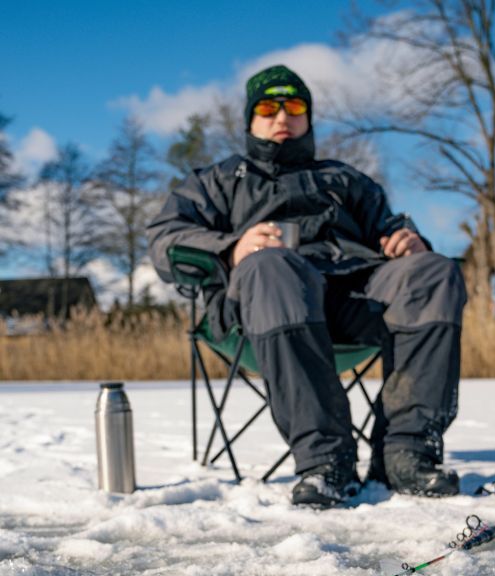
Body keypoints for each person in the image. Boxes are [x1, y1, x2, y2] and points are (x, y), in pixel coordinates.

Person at [148, 65, 467, 508]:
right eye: (268, 107)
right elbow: (164, 239)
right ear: (249, 120)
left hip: (352, 299)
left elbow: (390, 228)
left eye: (295, 106)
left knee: (434, 271)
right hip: (258, 310)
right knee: (271, 265)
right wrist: (232, 248)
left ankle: (406, 454)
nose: (283, 117)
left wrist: (409, 241)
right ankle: (326, 460)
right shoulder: (215, 182)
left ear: (309, 118)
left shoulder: (346, 180)